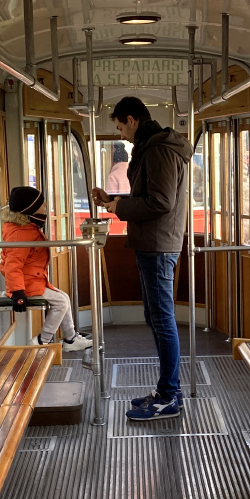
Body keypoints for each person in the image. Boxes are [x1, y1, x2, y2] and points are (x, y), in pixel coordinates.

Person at [91, 96, 193, 421]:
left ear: (132, 119)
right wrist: (115, 200)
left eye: (120, 126)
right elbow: (149, 195)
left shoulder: (158, 150)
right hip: (152, 243)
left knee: (162, 321)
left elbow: (160, 202)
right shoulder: (153, 148)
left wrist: (119, 208)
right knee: (155, 317)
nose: (121, 134)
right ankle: (167, 389)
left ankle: (169, 396)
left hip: (158, 245)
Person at [0, 185, 93, 351]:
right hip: (26, 284)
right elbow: (12, 265)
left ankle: (70, 338)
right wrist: (17, 292)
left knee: (63, 297)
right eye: (42, 205)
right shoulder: (22, 234)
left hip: (32, 279)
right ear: (31, 210)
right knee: (61, 303)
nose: (45, 208)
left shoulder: (27, 228)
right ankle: (43, 340)